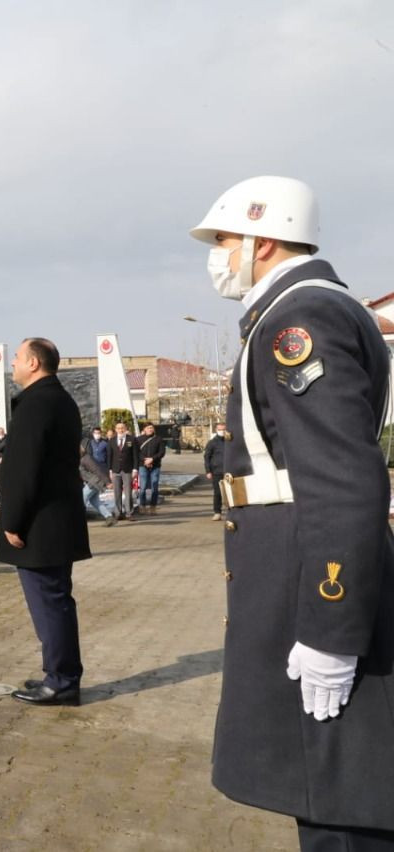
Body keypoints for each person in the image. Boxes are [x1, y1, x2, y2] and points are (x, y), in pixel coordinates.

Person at [191, 175, 394, 845]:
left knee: (341, 799)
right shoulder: (301, 309)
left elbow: (341, 482)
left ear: (265, 238)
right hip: (301, 572)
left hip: (313, 585)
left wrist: (331, 628)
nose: (218, 255)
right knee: (326, 787)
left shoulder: (298, 319)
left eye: (225, 241)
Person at [0, 338, 91, 706]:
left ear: (33, 363)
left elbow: (24, 469)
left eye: (17, 358)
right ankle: (58, 674)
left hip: (39, 523)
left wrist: (14, 521)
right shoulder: (59, 399)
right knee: (55, 602)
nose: (13, 364)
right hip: (54, 520)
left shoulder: (37, 403)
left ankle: (62, 681)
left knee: (50, 604)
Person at [105, 421, 139, 520]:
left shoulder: (132, 439)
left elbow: (135, 456)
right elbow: (109, 456)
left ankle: (129, 513)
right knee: (117, 492)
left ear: (125, 429)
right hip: (115, 470)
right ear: (116, 430)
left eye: (122, 428)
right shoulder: (111, 440)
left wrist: (135, 469)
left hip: (128, 469)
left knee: (128, 492)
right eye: (118, 428)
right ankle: (118, 513)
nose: (121, 430)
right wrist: (110, 470)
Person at [79, 440, 116, 527]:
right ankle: (109, 517)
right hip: (93, 482)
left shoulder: (86, 458)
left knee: (82, 498)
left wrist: (107, 482)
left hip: (95, 481)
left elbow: (97, 470)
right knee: (95, 501)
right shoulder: (81, 459)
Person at [136, 423, 166, 515]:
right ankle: (142, 506)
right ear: (144, 429)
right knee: (143, 487)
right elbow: (136, 452)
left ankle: (153, 507)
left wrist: (152, 459)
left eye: (151, 428)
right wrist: (145, 460)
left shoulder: (158, 439)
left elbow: (162, 452)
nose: (150, 429)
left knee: (154, 486)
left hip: (155, 465)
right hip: (142, 465)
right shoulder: (138, 439)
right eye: (148, 428)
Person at [203, 421, 227, 521]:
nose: (222, 431)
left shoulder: (230, 441)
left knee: (231, 493)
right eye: (220, 429)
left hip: (229, 471)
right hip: (217, 471)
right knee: (217, 493)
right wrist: (208, 471)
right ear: (216, 430)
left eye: (223, 429)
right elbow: (207, 457)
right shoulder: (212, 443)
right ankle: (217, 512)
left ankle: (233, 511)